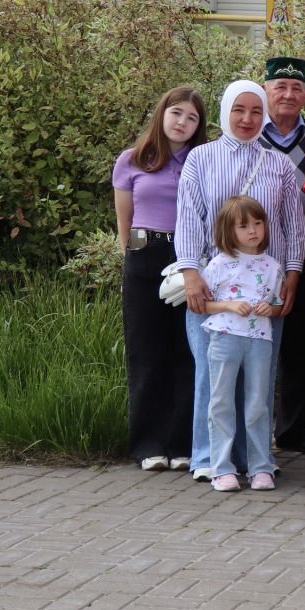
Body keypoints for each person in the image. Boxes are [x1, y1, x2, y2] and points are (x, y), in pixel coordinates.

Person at [175, 80, 305, 482]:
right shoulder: (201, 159)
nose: (248, 119)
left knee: (258, 380)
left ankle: (255, 459)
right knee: (211, 376)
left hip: (264, 291)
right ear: (225, 111)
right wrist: (190, 273)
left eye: (255, 111)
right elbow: (188, 219)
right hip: (213, 287)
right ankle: (206, 458)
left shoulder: (278, 164)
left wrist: (292, 274)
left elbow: (292, 227)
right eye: (239, 110)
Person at [113, 86, 208, 471]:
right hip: (145, 256)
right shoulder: (132, 160)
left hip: (187, 258)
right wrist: (136, 260)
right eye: (177, 113)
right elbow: (126, 223)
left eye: (192, 117)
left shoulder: (201, 161)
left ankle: (182, 444)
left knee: (186, 353)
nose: (182, 122)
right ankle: (148, 445)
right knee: (146, 353)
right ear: (162, 114)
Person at [259, 56, 305, 457]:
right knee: (251, 343)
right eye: (279, 87)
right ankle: (251, 429)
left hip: (303, 250)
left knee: (301, 343)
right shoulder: (249, 132)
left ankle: (293, 429)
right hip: (251, 253)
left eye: (295, 88)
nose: (287, 94)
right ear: (265, 90)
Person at [200, 196, 284, 492]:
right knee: (221, 401)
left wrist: (270, 310)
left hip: (260, 341)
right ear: (228, 230)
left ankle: (261, 467)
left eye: (258, 223)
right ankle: (222, 468)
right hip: (224, 338)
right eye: (244, 225)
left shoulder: (273, 266)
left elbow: (277, 305)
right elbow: (203, 305)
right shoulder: (219, 264)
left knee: (258, 403)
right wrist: (229, 306)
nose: (253, 231)